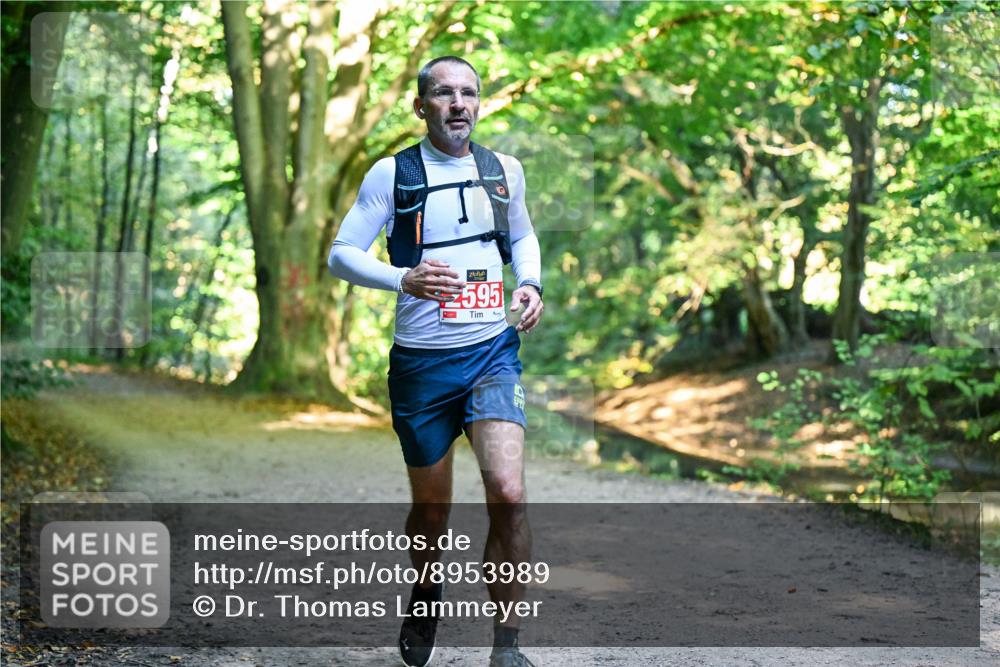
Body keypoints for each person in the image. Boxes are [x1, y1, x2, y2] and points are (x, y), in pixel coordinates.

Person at [327, 56, 543, 667]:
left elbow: (522, 236)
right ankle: (425, 590)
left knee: (508, 489)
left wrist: (529, 284)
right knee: (432, 511)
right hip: (422, 367)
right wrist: (404, 279)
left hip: (490, 354)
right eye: (443, 93)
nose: (458, 103)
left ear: (480, 103)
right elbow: (342, 255)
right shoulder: (392, 174)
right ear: (421, 106)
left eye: (468, 93)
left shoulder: (505, 171)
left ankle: (508, 644)